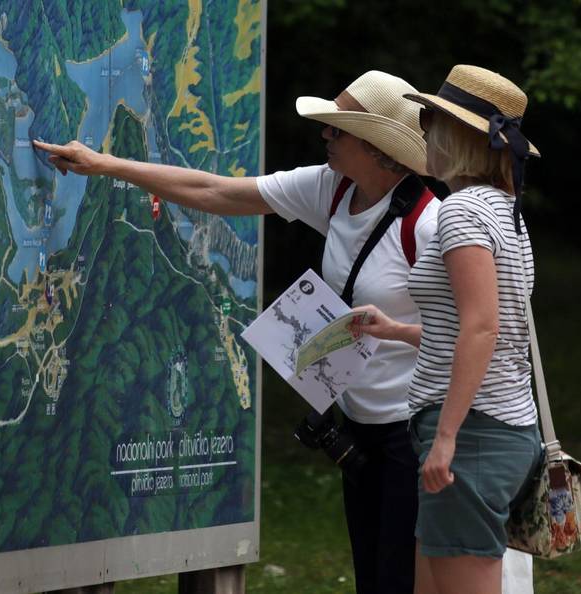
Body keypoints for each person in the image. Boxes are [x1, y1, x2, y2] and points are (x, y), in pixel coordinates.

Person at [35, 70, 439, 594]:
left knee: (400, 580)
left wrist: (395, 331)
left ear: (377, 147)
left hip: (414, 433)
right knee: (373, 577)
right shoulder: (334, 190)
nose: (325, 136)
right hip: (357, 428)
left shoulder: (429, 226)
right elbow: (215, 192)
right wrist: (105, 165)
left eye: (337, 130)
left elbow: (476, 336)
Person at [352, 65, 543, 594]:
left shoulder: (459, 211)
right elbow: (487, 326)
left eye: (431, 121)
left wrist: (447, 437)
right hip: (497, 428)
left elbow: (482, 329)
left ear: (456, 137)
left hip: (473, 433)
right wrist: (399, 331)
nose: (422, 133)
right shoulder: (506, 208)